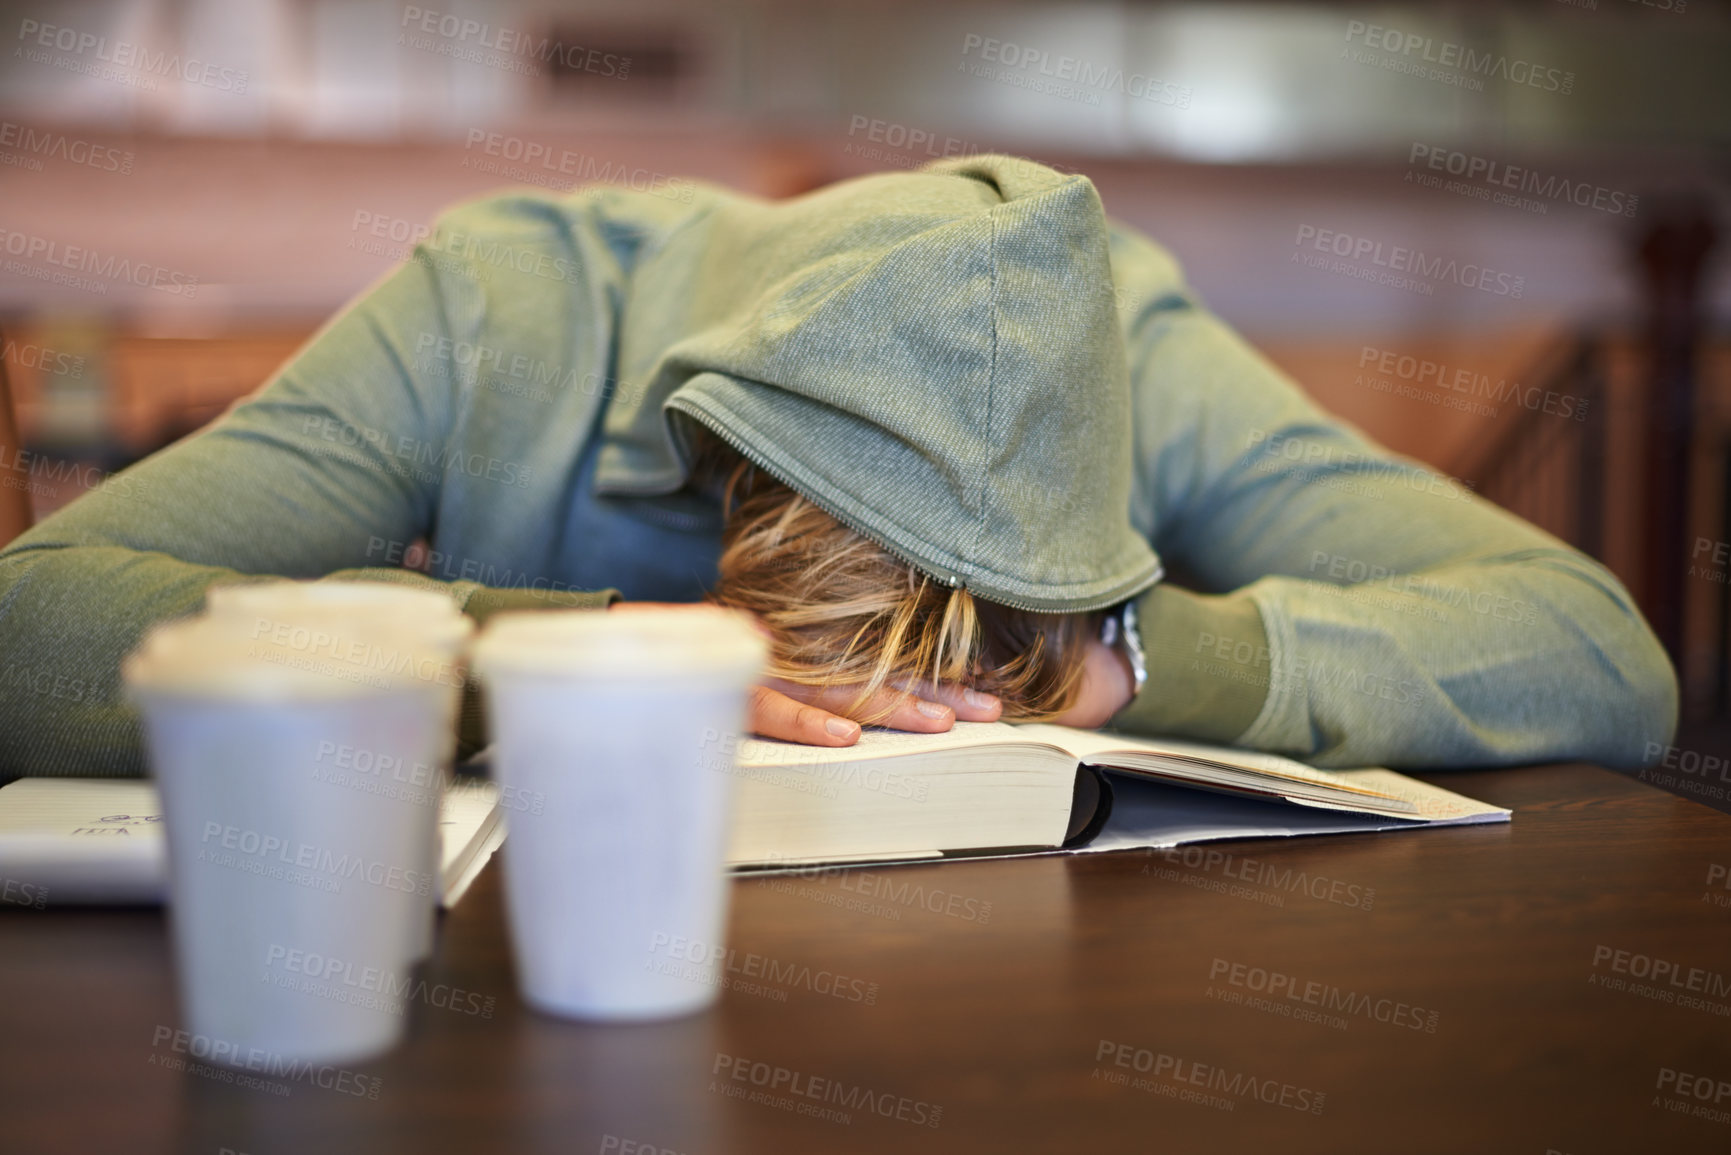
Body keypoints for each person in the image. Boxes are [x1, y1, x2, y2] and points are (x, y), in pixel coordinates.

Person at [0, 155, 1676, 780]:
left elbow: (1603, 655)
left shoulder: (1135, 350)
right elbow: (31, 621)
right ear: (718, 461)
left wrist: (1130, 667)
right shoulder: (489, 310)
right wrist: (561, 657)